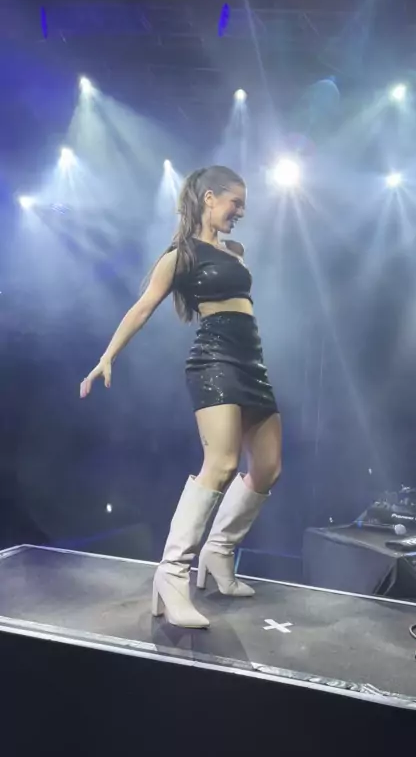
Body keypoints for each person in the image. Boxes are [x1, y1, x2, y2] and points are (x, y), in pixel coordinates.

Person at [80, 165, 281, 628]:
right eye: (235, 202)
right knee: (222, 463)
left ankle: (219, 552)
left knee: (268, 467)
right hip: (213, 361)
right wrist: (108, 356)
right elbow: (142, 307)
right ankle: (172, 575)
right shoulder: (180, 256)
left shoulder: (235, 251)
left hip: (251, 362)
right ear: (210, 198)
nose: (240, 212)